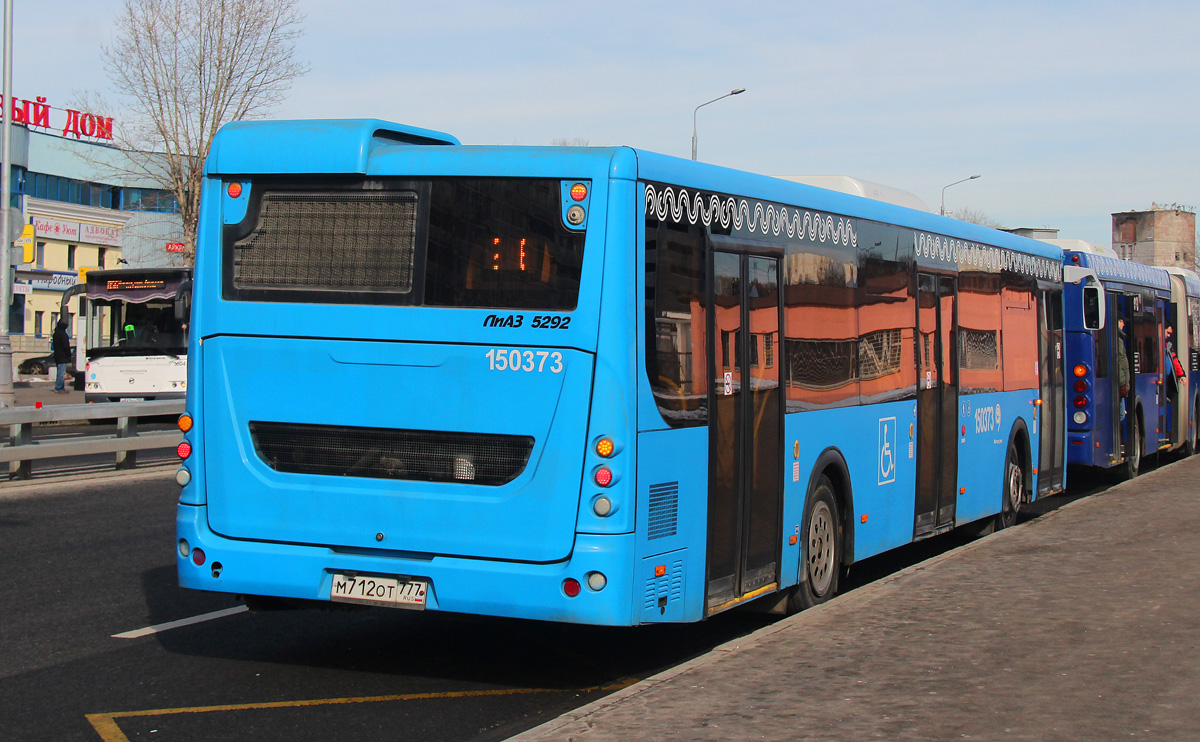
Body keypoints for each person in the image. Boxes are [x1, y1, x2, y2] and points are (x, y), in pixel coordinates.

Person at [1165, 325, 1186, 400]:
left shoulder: (1168, 345)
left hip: (1167, 379)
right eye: (1167, 332)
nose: (1168, 335)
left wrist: (1181, 375)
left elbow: (1175, 361)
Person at [51, 318, 71, 394]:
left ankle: (61, 387)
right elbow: (66, 346)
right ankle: (59, 388)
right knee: (61, 373)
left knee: (60, 372)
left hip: (57, 355)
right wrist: (69, 355)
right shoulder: (63, 334)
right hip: (63, 356)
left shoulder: (56, 334)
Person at [1117, 319, 1129, 420]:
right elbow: (1119, 362)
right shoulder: (1117, 338)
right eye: (1122, 321)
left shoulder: (1120, 337)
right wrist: (1122, 384)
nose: (1123, 324)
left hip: (1120, 383)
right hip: (1119, 384)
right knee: (1121, 414)